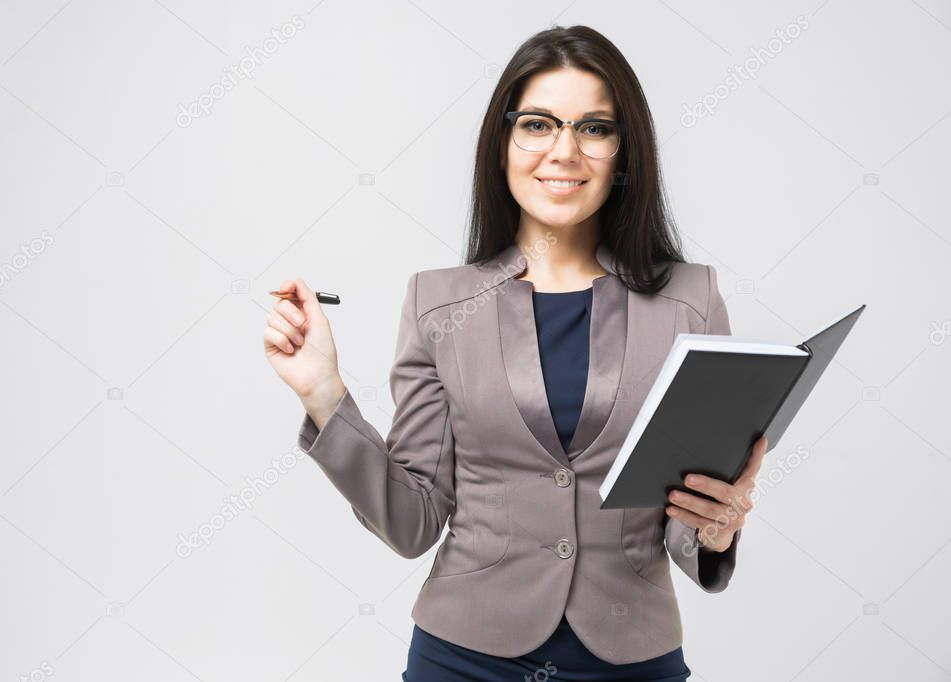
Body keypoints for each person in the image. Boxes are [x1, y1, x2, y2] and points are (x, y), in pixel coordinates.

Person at [264, 24, 766, 682]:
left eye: (593, 128)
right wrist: (323, 394)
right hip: (462, 657)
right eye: (537, 124)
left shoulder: (689, 300)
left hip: (631, 656)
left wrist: (717, 527)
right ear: (502, 144)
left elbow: (681, 518)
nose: (564, 151)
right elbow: (413, 521)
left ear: (622, 155)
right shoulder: (436, 304)